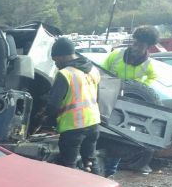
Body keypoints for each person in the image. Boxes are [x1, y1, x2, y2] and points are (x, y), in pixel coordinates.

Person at [102, 25, 160, 177]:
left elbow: (153, 78)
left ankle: (110, 173)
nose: (135, 47)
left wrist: (138, 87)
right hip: (108, 99)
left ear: (147, 47)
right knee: (102, 136)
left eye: (140, 45)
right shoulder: (116, 55)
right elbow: (102, 70)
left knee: (119, 141)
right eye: (135, 43)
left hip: (128, 105)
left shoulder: (148, 64)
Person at [46, 37, 101, 172]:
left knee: (68, 166)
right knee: (90, 160)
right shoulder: (92, 70)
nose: (56, 64)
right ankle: (98, 185)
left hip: (74, 127)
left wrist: (48, 121)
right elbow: (97, 96)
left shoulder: (65, 74)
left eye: (56, 60)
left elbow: (53, 104)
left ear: (62, 56)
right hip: (93, 123)